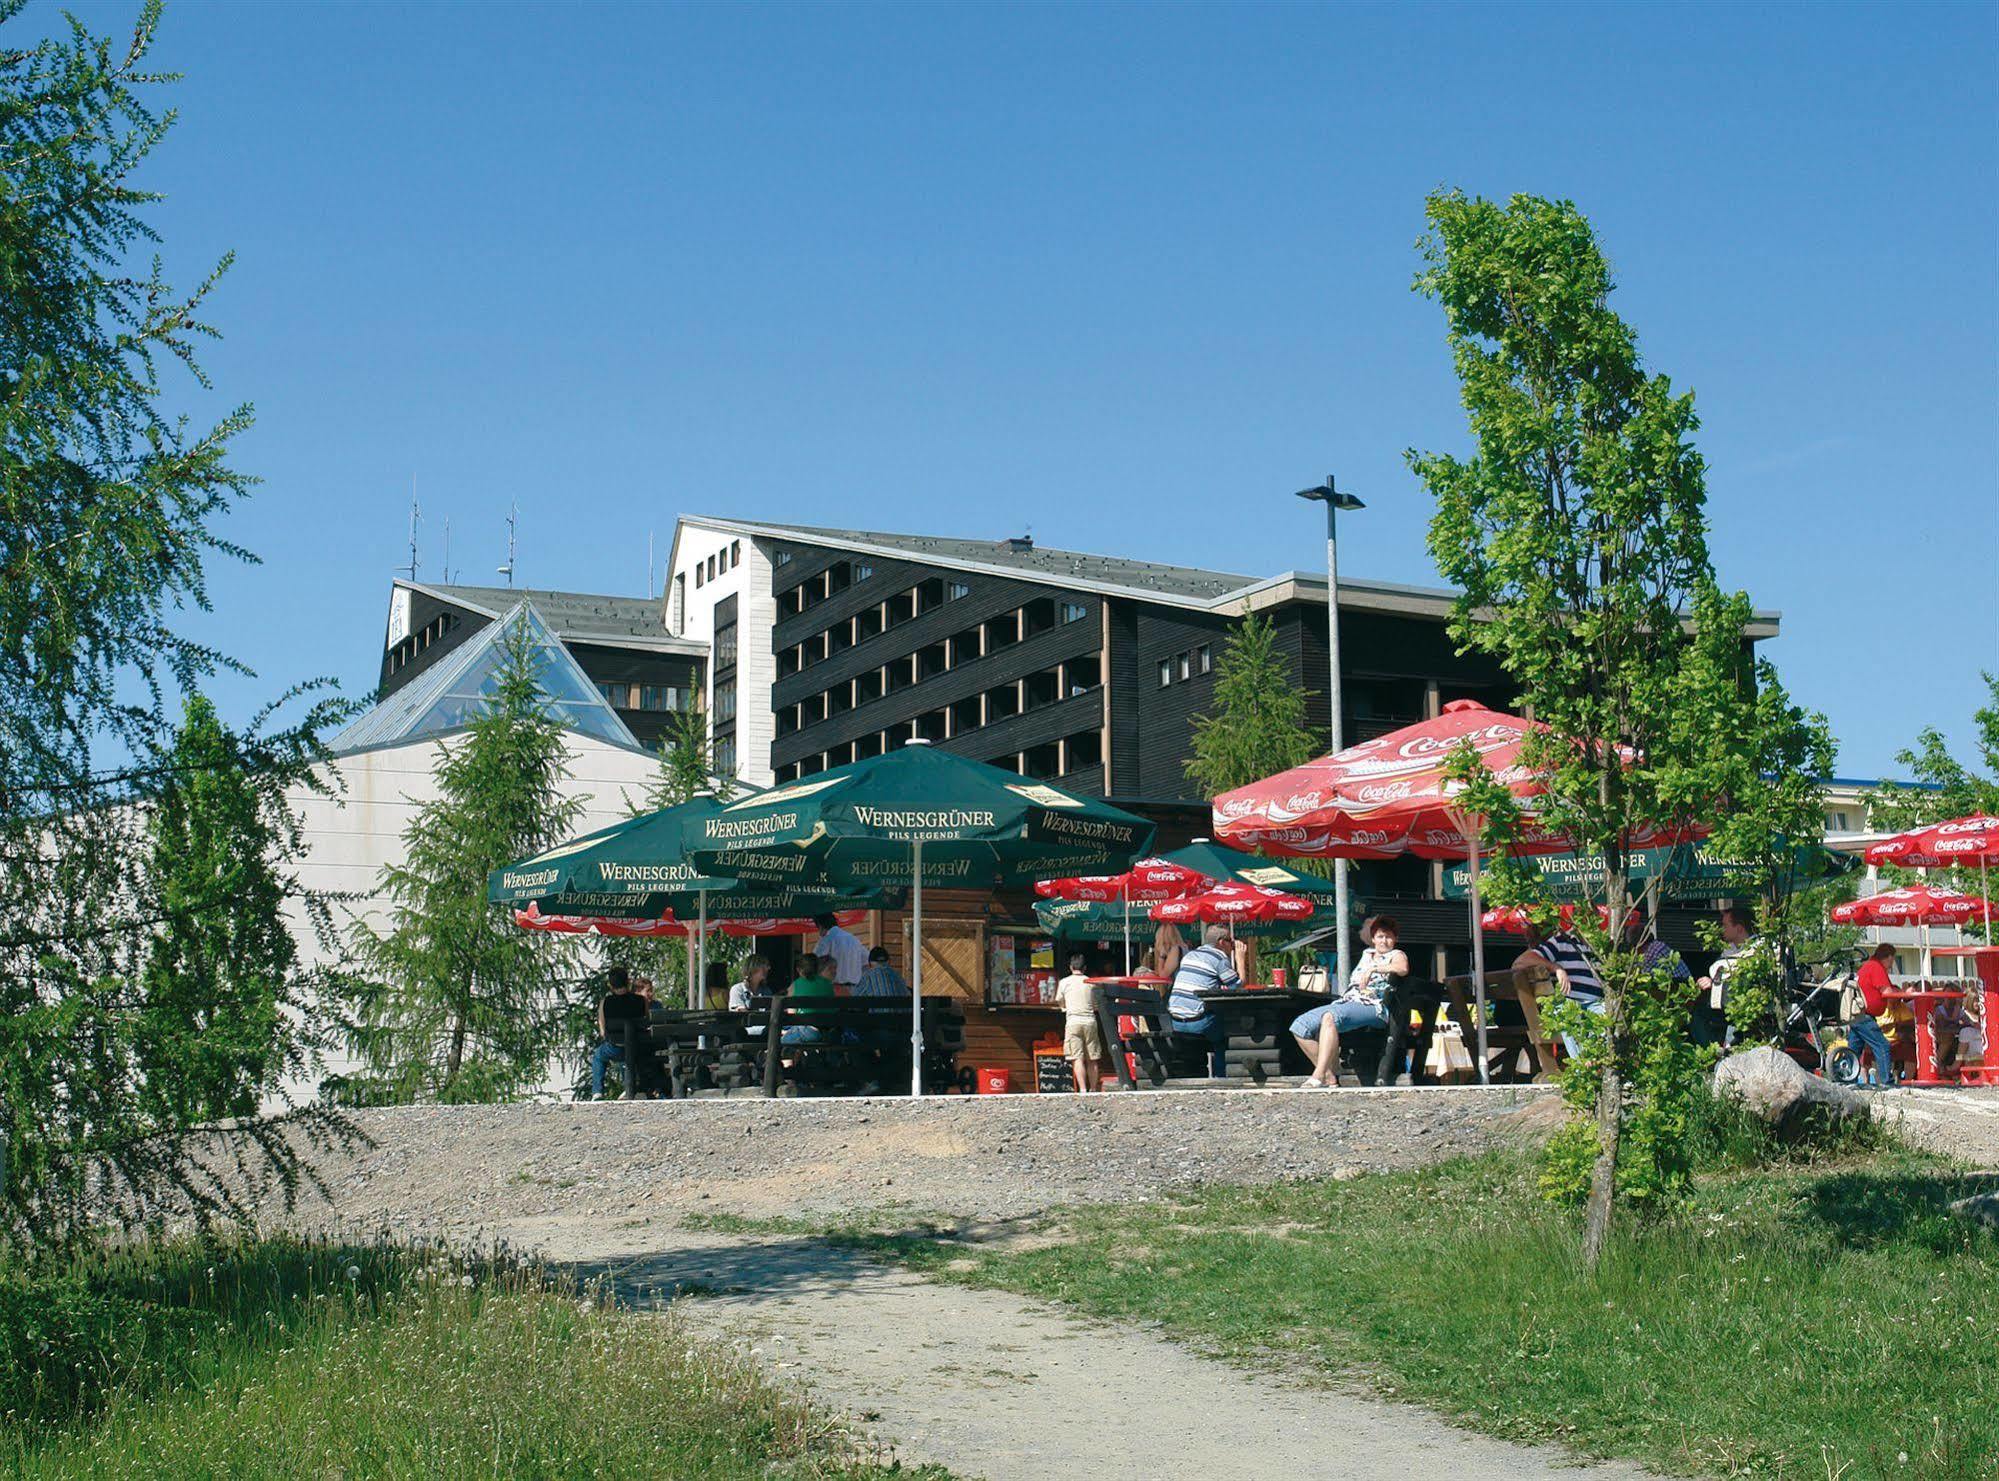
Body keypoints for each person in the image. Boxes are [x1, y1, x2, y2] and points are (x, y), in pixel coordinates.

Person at [1289, 916, 1407, 1088]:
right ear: (1373, 939)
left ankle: (1317, 1075)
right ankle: (1330, 1076)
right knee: (1300, 1026)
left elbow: (1402, 969)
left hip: (1374, 1006)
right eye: (1380, 936)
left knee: (1329, 1017)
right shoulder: (1367, 954)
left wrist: (1375, 969)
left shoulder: (1396, 954)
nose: (1384, 940)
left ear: (1395, 939)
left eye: (1389, 936)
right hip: (1348, 1001)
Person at [1512, 915, 1605, 1078]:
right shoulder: (1563, 941)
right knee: (1569, 1017)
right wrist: (1556, 967)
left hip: (1596, 1003)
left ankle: (1592, 1066)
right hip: (1571, 1003)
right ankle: (1582, 1071)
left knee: (1612, 1018)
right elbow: (1520, 961)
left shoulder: (1599, 946)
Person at [1168, 925, 1241, 1076]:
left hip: (1174, 1022)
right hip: (1198, 1023)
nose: (1233, 946)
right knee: (1229, 1030)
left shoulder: (1189, 955)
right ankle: (1223, 1077)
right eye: (1231, 942)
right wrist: (1240, 959)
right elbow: (1237, 988)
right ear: (1221, 942)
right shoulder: (1218, 958)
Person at [1694, 904, 1758, 1048]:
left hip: (1748, 1008)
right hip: (1731, 1004)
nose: (1722, 929)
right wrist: (1711, 981)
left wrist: (1715, 983)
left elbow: (1742, 979)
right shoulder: (1731, 949)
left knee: (1699, 1014)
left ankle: (1712, 1057)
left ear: (1739, 928)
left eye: (1725, 925)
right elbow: (1720, 973)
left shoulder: (1757, 949)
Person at [1849, 943, 1900, 1088]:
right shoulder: (1876, 968)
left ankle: (1846, 1078)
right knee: (1882, 1045)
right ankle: (1886, 1082)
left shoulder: (1868, 966)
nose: (1891, 964)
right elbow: (1887, 992)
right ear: (1889, 957)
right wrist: (1899, 993)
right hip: (1864, 1015)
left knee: (1853, 1050)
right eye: (1892, 960)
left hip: (1856, 1014)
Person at [590, 966, 646, 1098]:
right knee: (628, 1051)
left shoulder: (605, 1002)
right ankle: (628, 1085)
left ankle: (597, 1091)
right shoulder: (640, 1001)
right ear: (628, 981)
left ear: (610, 985)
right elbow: (646, 1022)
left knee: (599, 1054)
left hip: (616, 1047)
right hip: (639, 1046)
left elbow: (603, 1031)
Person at [1053, 952, 1104, 1091]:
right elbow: (1096, 1004)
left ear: (1070, 967)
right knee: (1092, 1058)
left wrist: (1064, 1007)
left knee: (1077, 1058)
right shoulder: (1091, 983)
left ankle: (1082, 1089)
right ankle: (1093, 1089)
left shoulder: (1064, 982)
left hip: (1073, 1021)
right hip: (1089, 1021)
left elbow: (1059, 1000)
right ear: (1085, 968)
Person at [783, 952, 836, 1045]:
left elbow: (791, 1013)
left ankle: (768, 1055)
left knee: (783, 1040)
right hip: (828, 1031)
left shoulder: (796, 985)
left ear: (799, 970)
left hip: (808, 1030)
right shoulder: (828, 984)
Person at [813, 913, 869, 990]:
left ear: (821, 926)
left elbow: (814, 962)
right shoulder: (854, 939)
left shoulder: (826, 939)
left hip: (834, 989)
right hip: (855, 990)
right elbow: (867, 962)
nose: (819, 933)